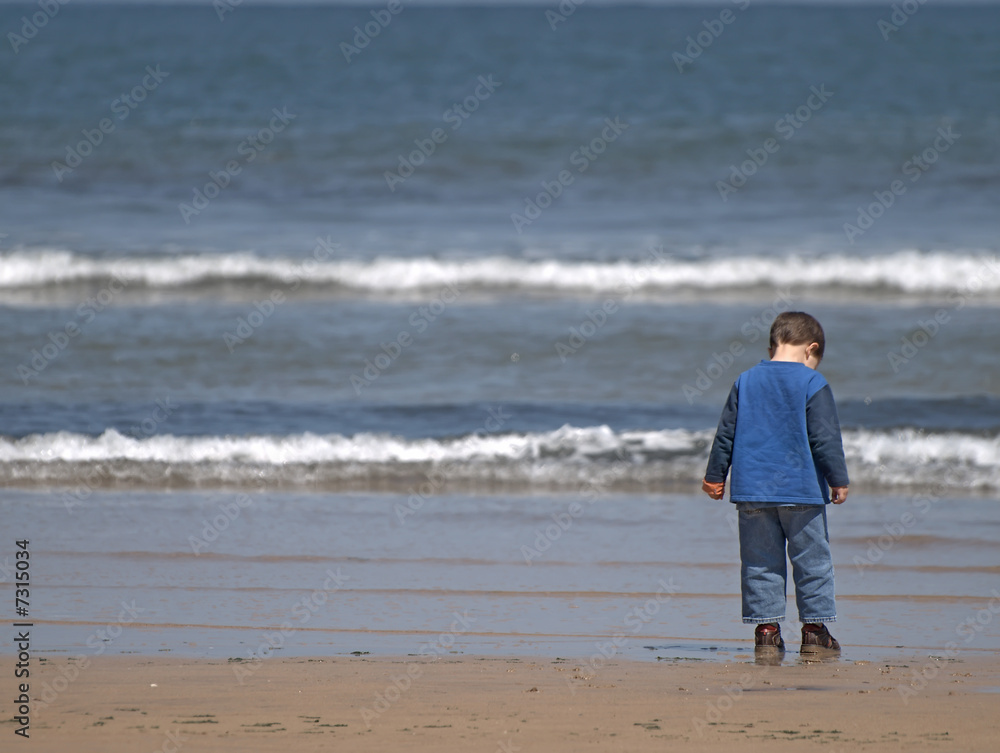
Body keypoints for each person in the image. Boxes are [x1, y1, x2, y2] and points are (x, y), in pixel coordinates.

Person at [701, 311, 849, 656]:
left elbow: (726, 434)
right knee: (812, 561)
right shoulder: (814, 383)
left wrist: (714, 475)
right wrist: (837, 478)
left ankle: (766, 631)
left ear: (773, 345)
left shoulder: (745, 380)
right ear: (811, 349)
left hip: (753, 492)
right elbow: (824, 438)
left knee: (759, 561)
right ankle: (814, 630)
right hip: (802, 492)